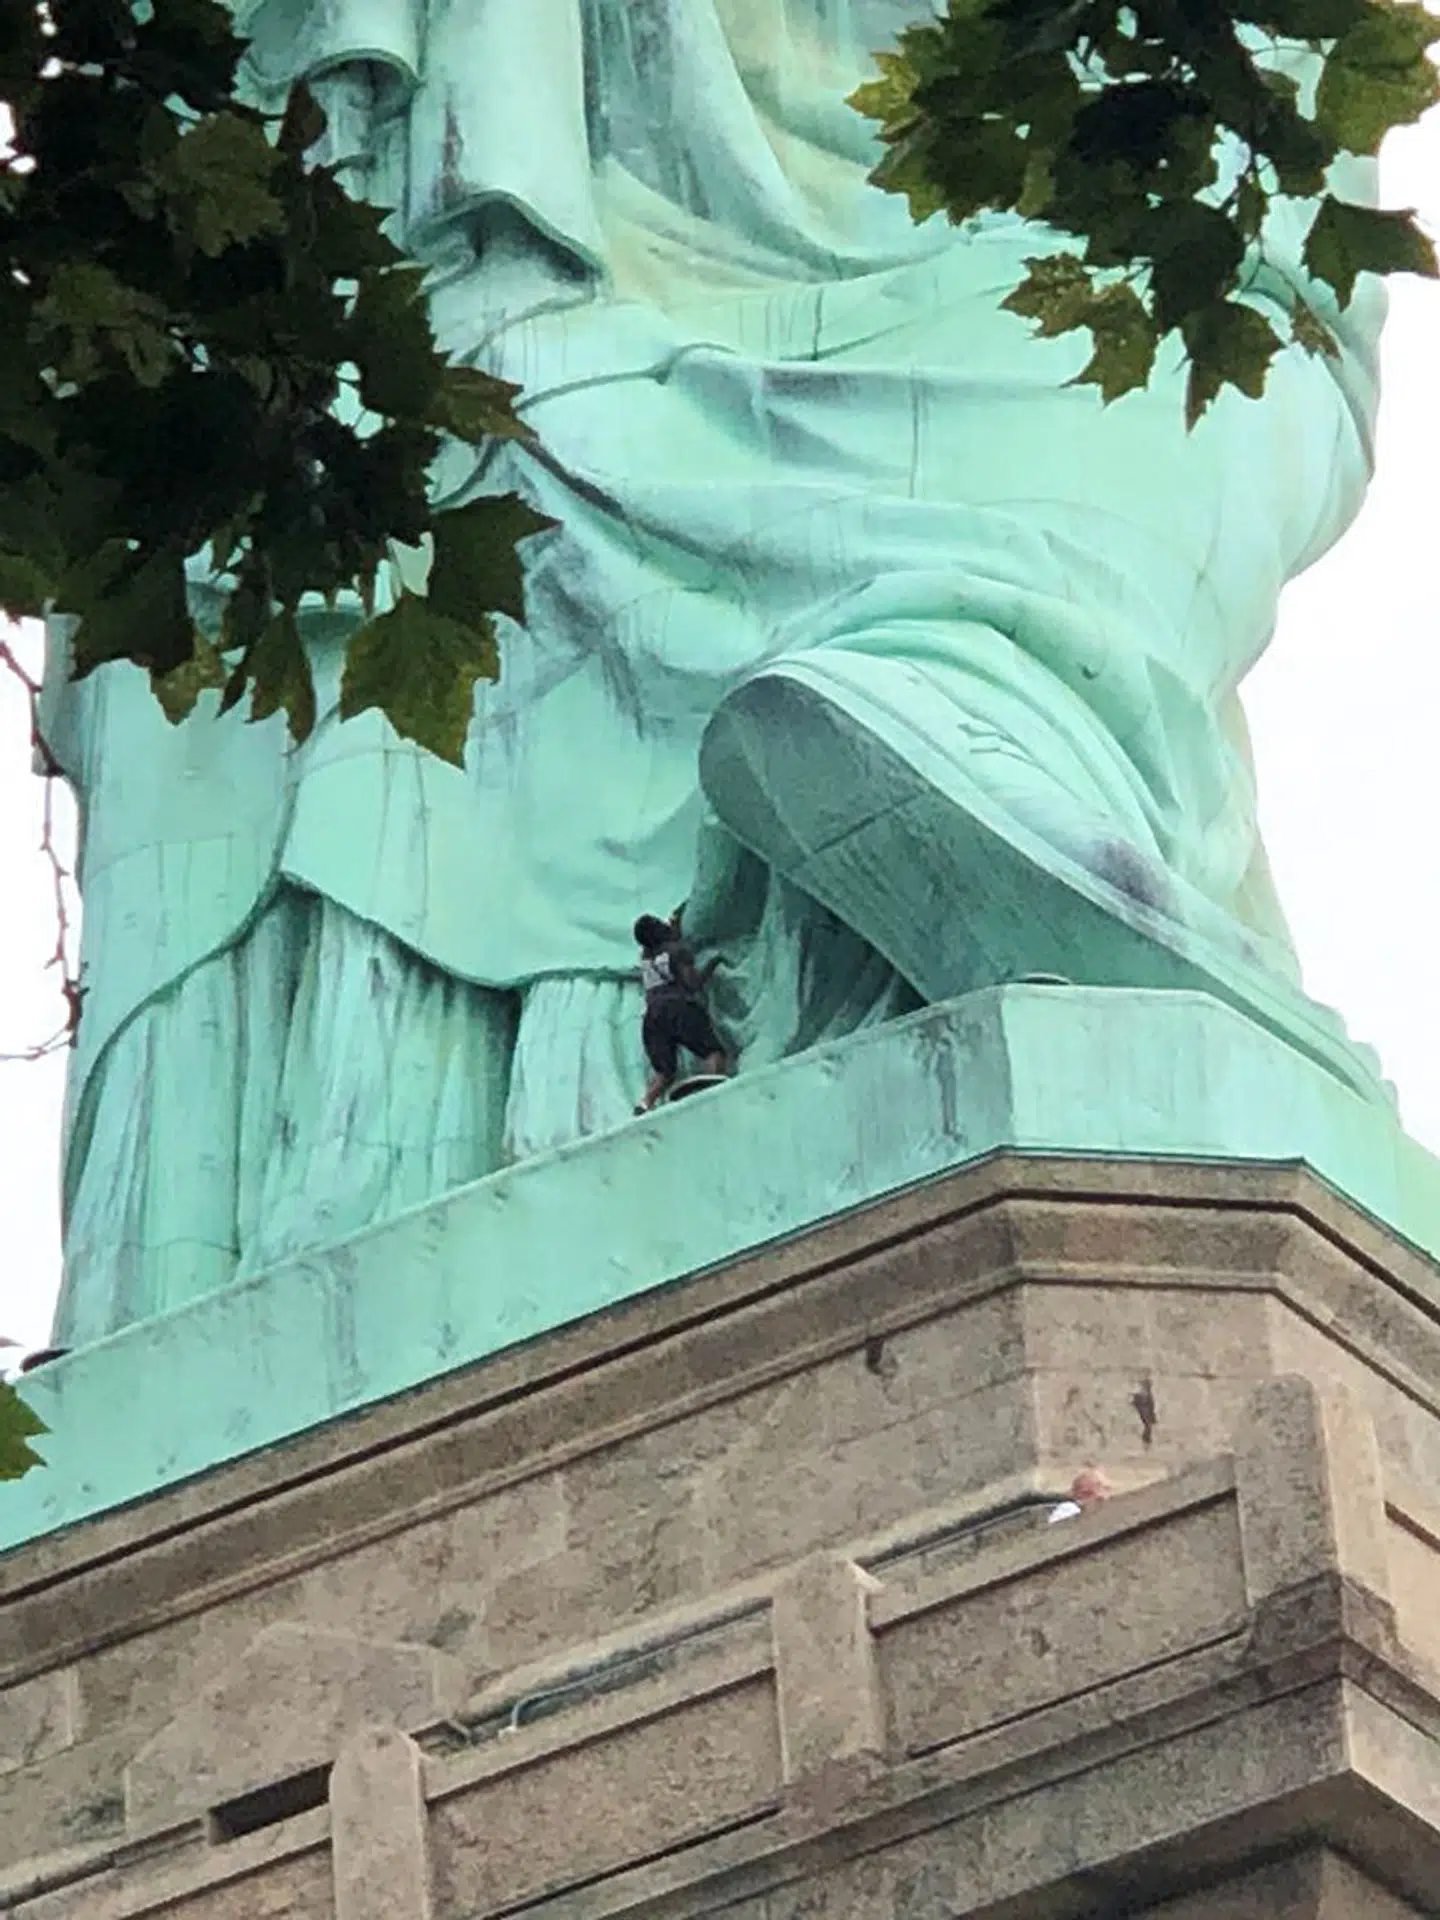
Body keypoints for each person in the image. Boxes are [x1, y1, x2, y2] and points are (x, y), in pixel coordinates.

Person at [42, 0, 1391, 1348]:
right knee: (459, 418)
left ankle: (1002, 697)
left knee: (1201, 320)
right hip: (555, 164)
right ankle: (929, 761)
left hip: (987, 111)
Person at [633, 913, 729, 1114]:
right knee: (713, 1051)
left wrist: (672, 928)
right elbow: (693, 984)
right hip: (679, 1007)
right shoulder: (677, 951)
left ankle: (646, 1102)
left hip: (652, 1017)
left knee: (664, 1072)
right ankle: (715, 1085)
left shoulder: (645, 959)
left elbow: (659, 944)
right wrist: (712, 965)